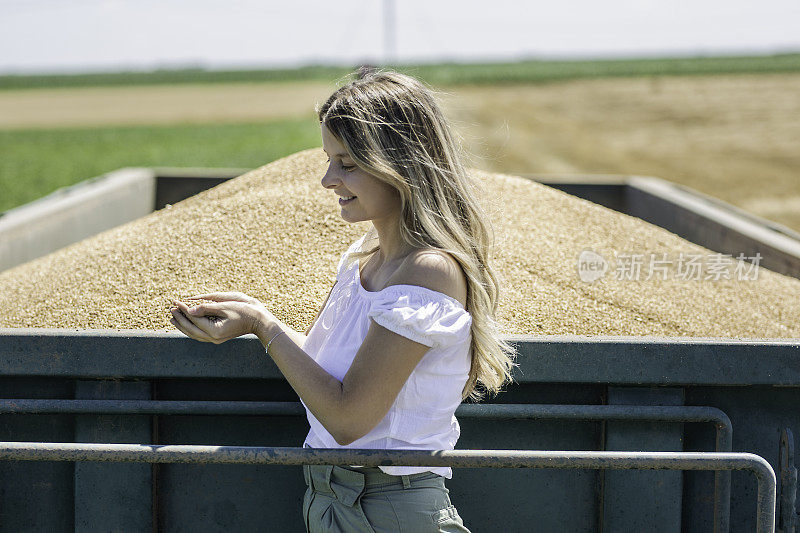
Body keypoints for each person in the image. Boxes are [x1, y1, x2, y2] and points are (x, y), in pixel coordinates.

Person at [169, 68, 517, 533]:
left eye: (348, 163)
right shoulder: (364, 261)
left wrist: (265, 326)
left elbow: (349, 418)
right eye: (329, 159)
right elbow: (328, 374)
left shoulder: (429, 271)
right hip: (334, 500)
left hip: (391, 508)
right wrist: (251, 317)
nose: (328, 179)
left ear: (402, 164)